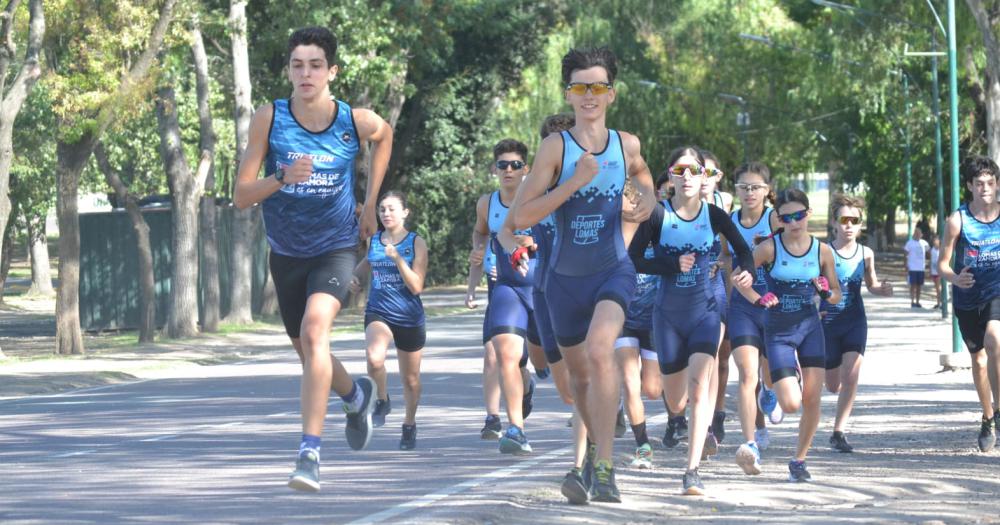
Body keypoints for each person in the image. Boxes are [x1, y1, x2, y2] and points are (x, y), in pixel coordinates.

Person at [232, 26, 392, 492]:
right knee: (309, 352)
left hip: (337, 246)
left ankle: (309, 453)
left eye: (315, 65)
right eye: (297, 65)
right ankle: (354, 393)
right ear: (289, 70)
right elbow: (242, 196)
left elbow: (384, 136)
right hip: (286, 253)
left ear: (332, 71)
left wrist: (369, 203)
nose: (306, 73)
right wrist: (281, 177)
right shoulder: (270, 118)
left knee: (314, 331)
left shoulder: (353, 121)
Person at [510, 46, 655, 503]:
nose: (588, 95)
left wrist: (646, 200)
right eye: (579, 87)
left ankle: (607, 467)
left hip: (613, 269)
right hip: (562, 282)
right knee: (579, 384)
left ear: (611, 93)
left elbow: (643, 174)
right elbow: (520, 217)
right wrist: (572, 181)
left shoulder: (625, 143)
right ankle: (593, 451)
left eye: (597, 86)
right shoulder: (556, 147)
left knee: (600, 350)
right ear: (568, 94)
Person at [629, 146, 754, 495]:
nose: (686, 177)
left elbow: (743, 251)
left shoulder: (714, 215)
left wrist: (747, 272)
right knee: (676, 399)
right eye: (680, 170)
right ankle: (678, 421)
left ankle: (692, 470)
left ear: (703, 177)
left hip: (704, 314)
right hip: (667, 316)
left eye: (693, 170)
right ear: (670, 176)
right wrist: (670, 264)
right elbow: (633, 258)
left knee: (701, 390)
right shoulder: (657, 215)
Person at [734, 188, 841, 483]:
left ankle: (799, 460)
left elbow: (836, 295)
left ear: (808, 214)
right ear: (779, 220)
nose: (795, 222)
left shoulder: (822, 251)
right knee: (792, 404)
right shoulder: (768, 248)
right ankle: (773, 387)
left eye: (799, 215)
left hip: (810, 329)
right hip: (778, 332)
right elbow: (740, 278)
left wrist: (826, 292)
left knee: (812, 399)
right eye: (787, 217)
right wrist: (758, 297)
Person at [474, 138, 546, 455]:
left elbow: (557, 233)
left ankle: (530, 385)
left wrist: (533, 240)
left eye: (515, 165)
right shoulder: (486, 204)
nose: (508, 170)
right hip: (507, 286)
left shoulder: (541, 198)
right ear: (495, 169)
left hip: (544, 288)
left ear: (525, 169)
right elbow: (481, 231)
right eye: (502, 165)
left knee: (549, 363)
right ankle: (516, 428)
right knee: (505, 354)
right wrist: (479, 249)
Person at [350, 191, 428, 450]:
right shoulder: (375, 241)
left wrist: (397, 260)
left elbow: (417, 286)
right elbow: (367, 264)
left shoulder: (416, 242)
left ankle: (409, 424)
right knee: (374, 359)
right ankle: (382, 400)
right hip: (379, 311)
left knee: (411, 379)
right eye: (382, 209)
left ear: (405, 212)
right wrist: (356, 279)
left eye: (392, 209)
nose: (386, 214)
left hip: (409, 315)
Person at [820, 194, 893, 453]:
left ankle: (838, 432)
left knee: (851, 376)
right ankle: (836, 417)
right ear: (834, 222)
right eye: (844, 219)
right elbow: (814, 286)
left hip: (854, 321)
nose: (849, 225)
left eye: (855, 220)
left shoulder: (866, 254)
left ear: (861, 224)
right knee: (832, 385)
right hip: (828, 322)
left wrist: (880, 289)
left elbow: (871, 283)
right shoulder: (823, 251)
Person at [937, 155, 1000, 452]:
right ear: (969, 186)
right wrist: (955, 279)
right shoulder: (957, 220)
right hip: (967, 298)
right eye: (979, 183)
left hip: (996, 291)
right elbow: (942, 265)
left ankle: (999, 413)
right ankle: (987, 416)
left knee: (994, 340)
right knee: (978, 360)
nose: (985, 188)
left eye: (990, 182)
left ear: (997, 184)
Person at [723, 162, 782, 476]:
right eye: (743, 187)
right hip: (742, 308)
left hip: (774, 304)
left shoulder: (775, 219)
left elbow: (795, 251)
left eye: (755, 187)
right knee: (746, 375)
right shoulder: (730, 220)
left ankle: (770, 394)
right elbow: (725, 257)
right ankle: (750, 445)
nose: (749, 193)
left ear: (767, 190)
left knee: (769, 376)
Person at [700, 149, 733, 451]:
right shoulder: (676, 207)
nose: (703, 179)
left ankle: (714, 416)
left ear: (717, 178)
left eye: (710, 173)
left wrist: (724, 267)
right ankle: (695, 416)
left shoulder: (725, 204)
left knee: (719, 356)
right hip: (683, 290)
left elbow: (731, 249)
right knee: (698, 360)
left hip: (719, 287)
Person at [903, 228, 930, 308]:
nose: (918, 235)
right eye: (916, 233)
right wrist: (906, 265)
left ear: (921, 234)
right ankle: (912, 301)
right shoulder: (909, 243)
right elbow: (905, 254)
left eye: (919, 233)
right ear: (914, 234)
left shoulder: (924, 243)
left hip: (921, 268)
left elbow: (930, 252)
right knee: (913, 285)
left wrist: (929, 262)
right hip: (912, 268)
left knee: (919, 286)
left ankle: (918, 301)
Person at [931, 236, 942, 309]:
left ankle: (941, 303)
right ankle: (938, 303)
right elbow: (931, 261)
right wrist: (930, 270)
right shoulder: (932, 250)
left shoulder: (941, 250)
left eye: (936, 241)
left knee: (939, 288)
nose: (935, 242)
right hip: (933, 271)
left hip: (939, 272)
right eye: (934, 241)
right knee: (936, 288)